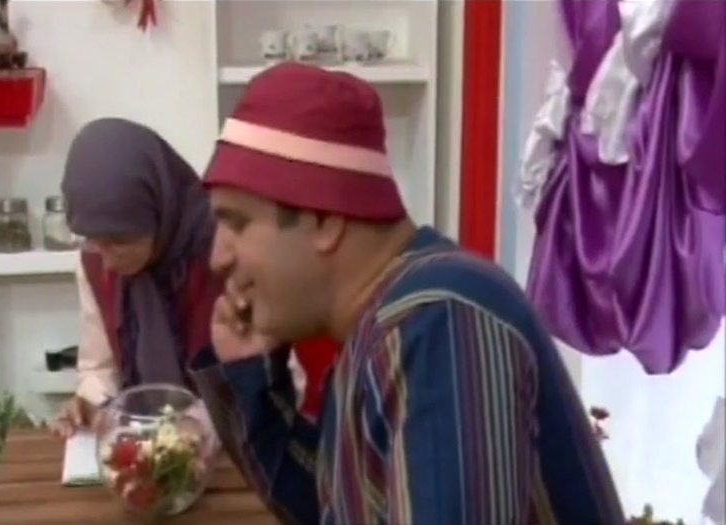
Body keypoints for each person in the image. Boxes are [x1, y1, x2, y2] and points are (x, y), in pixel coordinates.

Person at [187, 63, 626, 524]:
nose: (217, 257)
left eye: (237, 222)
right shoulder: (383, 326)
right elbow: (328, 508)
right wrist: (252, 377)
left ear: (323, 220)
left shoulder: (437, 323)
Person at [51, 118, 315, 437]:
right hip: (146, 449)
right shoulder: (95, 263)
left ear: (159, 209)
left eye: (120, 241)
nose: (106, 259)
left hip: (240, 450)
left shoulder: (225, 256)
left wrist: (205, 426)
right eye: (94, 240)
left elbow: (289, 385)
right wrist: (89, 403)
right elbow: (99, 368)